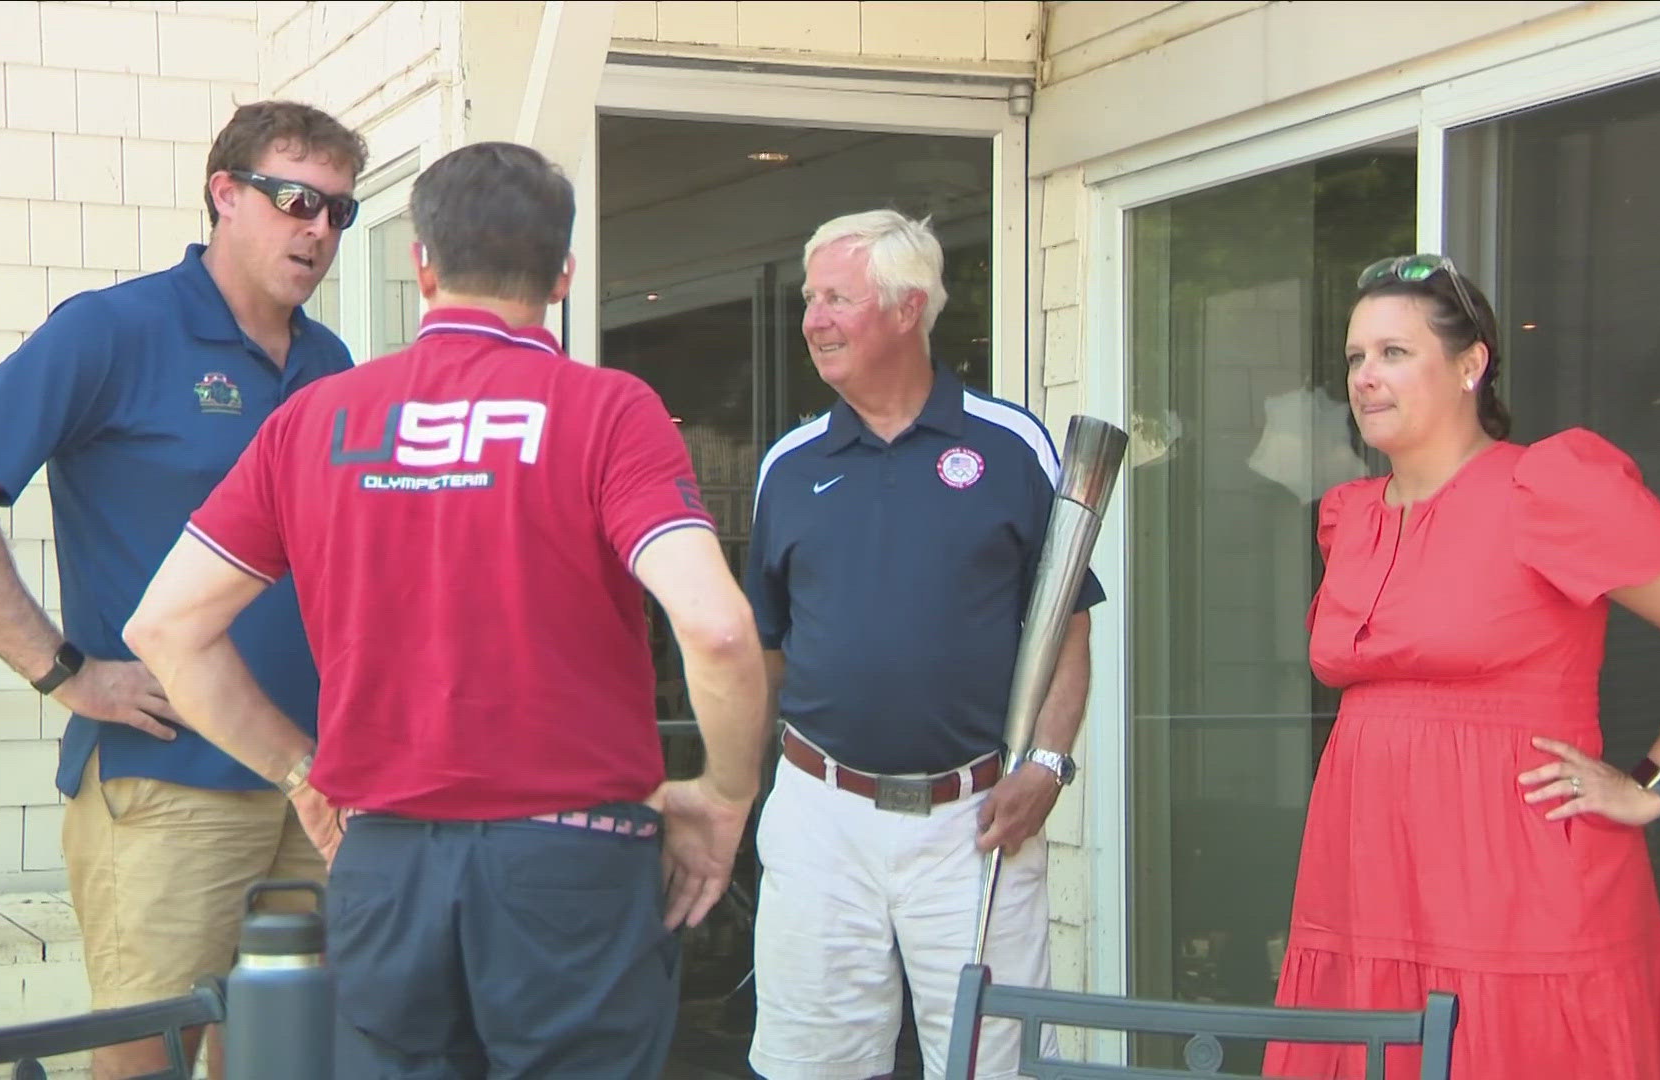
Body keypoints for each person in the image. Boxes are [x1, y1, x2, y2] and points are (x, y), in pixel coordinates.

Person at [122, 141, 771, 1077]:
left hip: (384, 861)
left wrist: (302, 774)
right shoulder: (607, 411)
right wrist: (725, 795)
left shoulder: (315, 419)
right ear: (562, 277)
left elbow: (165, 629)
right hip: (573, 863)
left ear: (420, 264)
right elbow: (715, 626)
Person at [0, 101, 366, 1078]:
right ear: (225, 195)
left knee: (291, 1062)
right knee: (144, 1063)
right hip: (169, 785)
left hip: (314, 786)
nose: (318, 228)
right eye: (295, 199)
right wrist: (63, 671)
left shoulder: (329, 365)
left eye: (340, 213)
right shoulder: (115, 331)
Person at [1265, 254, 1660, 1079]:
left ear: (1471, 366)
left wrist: (1655, 785)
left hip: (1519, 882)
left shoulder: (1548, 488)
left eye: (1395, 353)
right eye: (1356, 358)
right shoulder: (1350, 516)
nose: (1366, 377)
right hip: (1365, 879)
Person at [743, 209, 1104, 1080]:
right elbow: (767, 650)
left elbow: (1067, 627)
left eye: (837, 298)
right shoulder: (788, 466)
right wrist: (750, 791)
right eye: (809, 298)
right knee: (811, 1066)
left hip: (977, 819)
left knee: (994, 1064)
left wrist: (1046, 769)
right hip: (821, 815)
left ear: (907, 310)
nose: (812, 319)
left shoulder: (1011, 445)